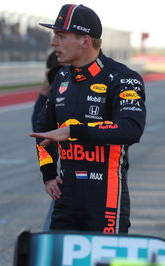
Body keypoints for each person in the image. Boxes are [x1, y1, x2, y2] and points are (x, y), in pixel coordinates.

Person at [30, 4, 146, 234]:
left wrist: (74, 131)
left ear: (85, 41)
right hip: (66, 197)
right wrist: (49, 174)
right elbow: (43, 131)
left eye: (61, 36)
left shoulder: (123, 78)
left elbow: (130, 128)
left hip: (105, 199)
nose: (54, 42)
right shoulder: (62, 77)